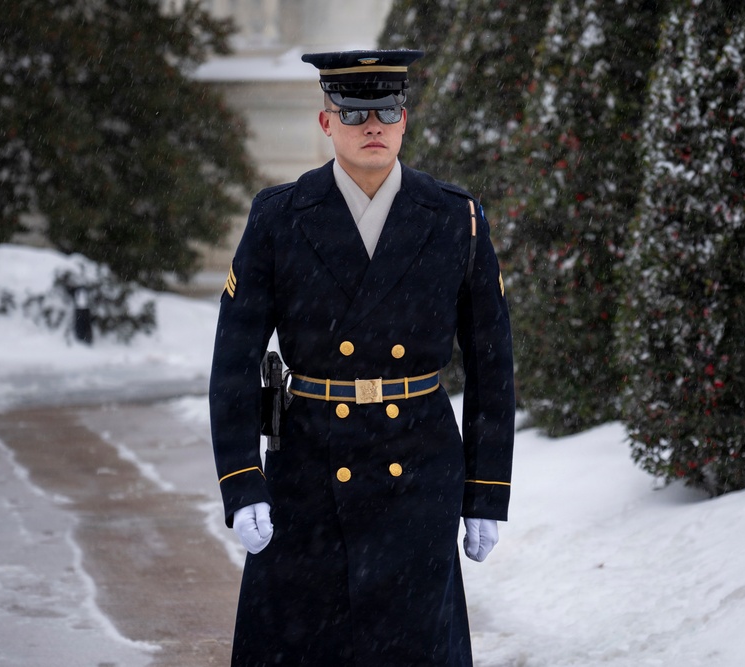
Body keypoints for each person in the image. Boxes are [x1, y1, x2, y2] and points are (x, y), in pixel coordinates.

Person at [208, 48, 515, 667]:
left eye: (386, 110)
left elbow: (492, 364)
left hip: (419, 470)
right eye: (354, 113)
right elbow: (235, 359)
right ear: (327, 123)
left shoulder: (456, 217)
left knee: (413, 647)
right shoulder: (280, 216)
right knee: (304, 645)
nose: (372, 126)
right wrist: (242, 482)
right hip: (309, 470)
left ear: (405, 120)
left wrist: (487, 490)